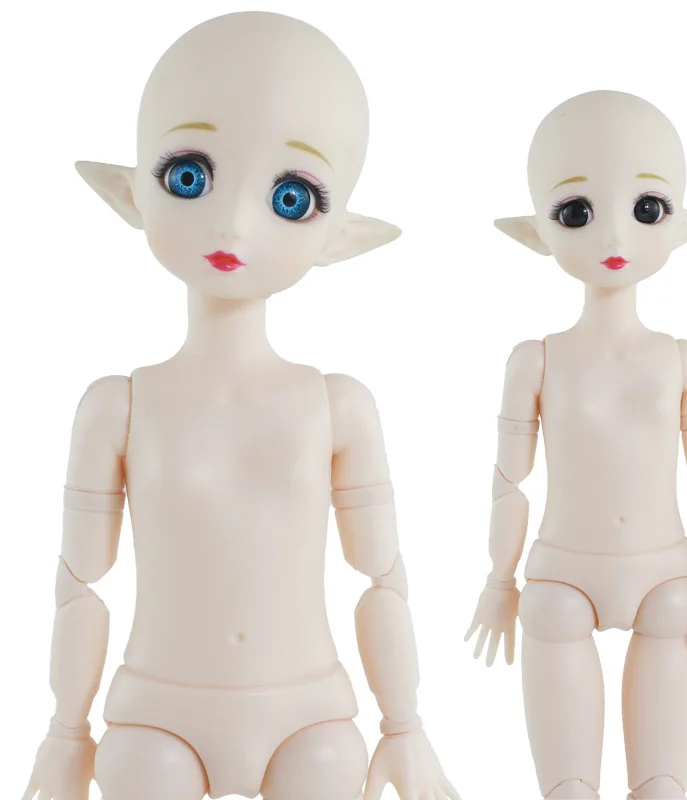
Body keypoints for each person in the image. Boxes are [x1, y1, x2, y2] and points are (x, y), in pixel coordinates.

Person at [22, 12, 458, 800]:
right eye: (189, 175)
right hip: (154, 723)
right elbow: (79, 583)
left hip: (310, 724)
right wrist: (64, 732)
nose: (231, 224)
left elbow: (382, 577)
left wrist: (405, 725)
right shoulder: (116, 408)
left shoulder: (339, 407)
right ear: (130, 190)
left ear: (340, 237)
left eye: (291, 196)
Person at [466, 89, 687, 800]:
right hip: (559, 581)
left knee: (663, 789)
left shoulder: (686, 361)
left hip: (668, 581)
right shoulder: (535, 360)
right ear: (537, 230)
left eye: (647, 208)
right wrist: (500, 581)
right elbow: (509, 482)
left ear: (681, 224)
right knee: (568, 791)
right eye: (576, 212)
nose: (615, 236)